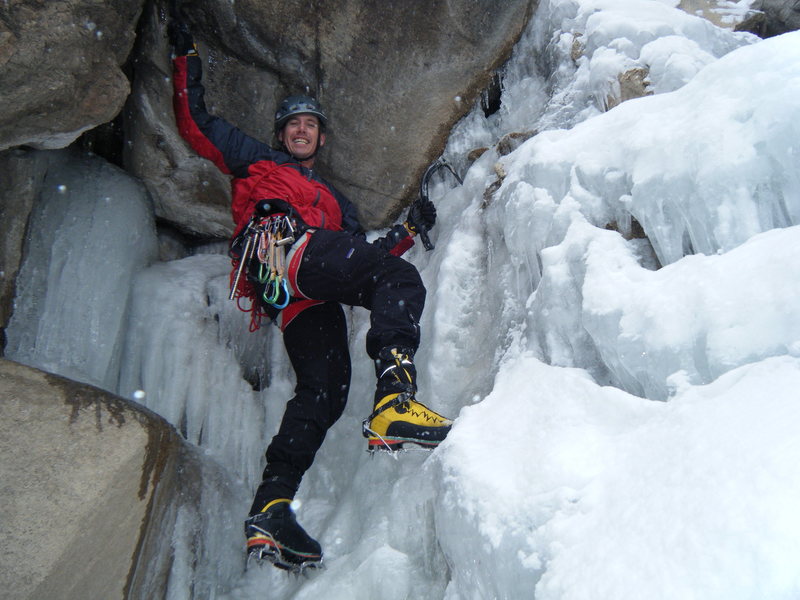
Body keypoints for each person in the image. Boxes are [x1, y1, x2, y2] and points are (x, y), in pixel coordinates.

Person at [169, 17, 453, 571]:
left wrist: (410, 232)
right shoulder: (257, 160)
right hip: (282, 247)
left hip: (301, 292)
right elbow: (195, 123)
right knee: (400, 283)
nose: (300, 130)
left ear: (321, 138)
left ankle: (270, 508)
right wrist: (186, 57)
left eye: (309, 125)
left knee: (324, 394)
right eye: (292, 124)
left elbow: (359, 257)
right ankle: (395, 401)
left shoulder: (337, 202)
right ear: (281, 136)